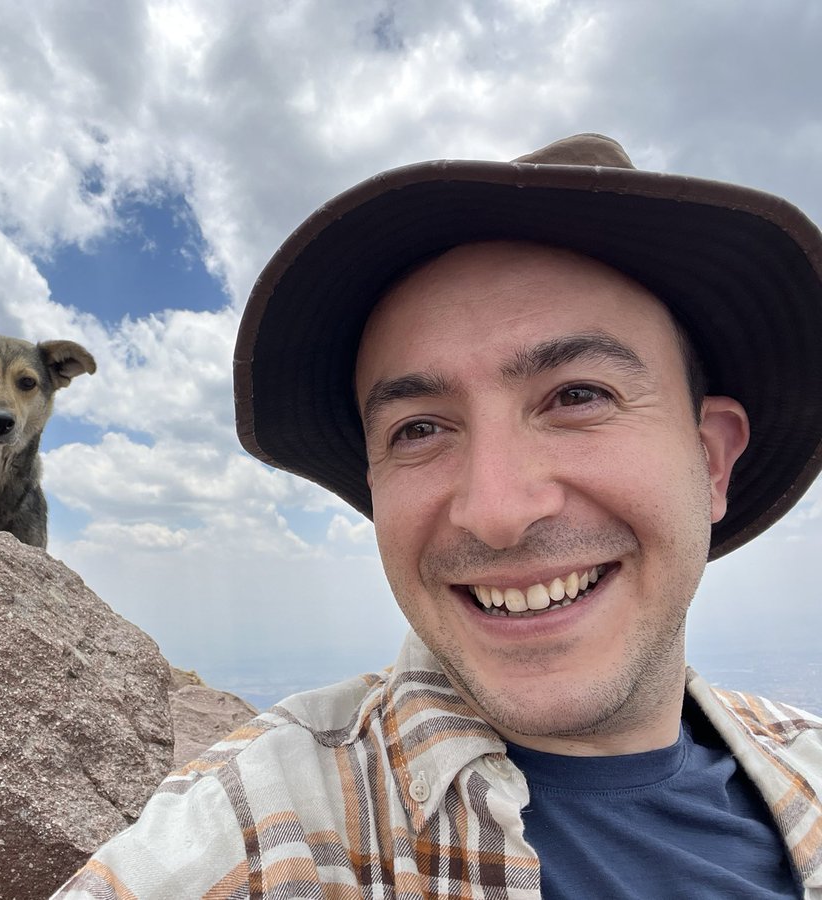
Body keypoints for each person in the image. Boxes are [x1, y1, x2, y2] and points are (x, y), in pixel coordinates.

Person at [53, 134, 822, 898]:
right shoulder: (255, 834)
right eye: (419, 428)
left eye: (578, 396)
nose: (496, 512)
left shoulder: (809, 764)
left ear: (711, 460)